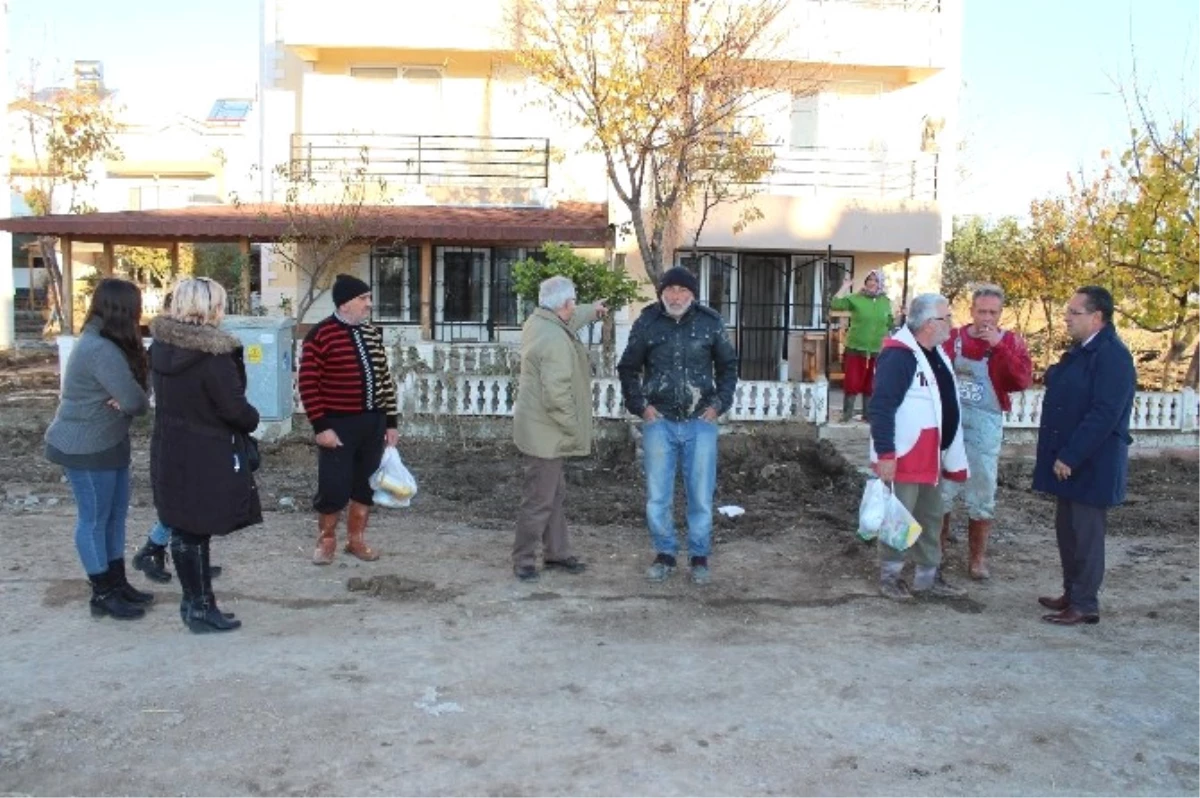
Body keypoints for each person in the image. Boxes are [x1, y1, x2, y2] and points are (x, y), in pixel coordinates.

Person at [150, 277, 262, 633]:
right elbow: (234, 409)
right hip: (206, 453)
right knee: (195, 530)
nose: (222, 311)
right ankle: (199, 608)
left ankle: (197, 604)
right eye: (219, 304)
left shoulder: (162, 347)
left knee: (185, 528)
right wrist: (252, 419)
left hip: (170, 448)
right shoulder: (212, 356)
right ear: (209, 307)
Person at [617, 266, 738, 585]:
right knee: (658, 496)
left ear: (693, 295)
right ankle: (665, 554)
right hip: (660, 423)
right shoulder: (647, 322)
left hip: (701, 422)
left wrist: (718, 405)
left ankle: (699, 557)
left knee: (700, 494)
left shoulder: (710, 323)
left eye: (682, 290)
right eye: (669, 290)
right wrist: (641, 407)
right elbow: (628, 368)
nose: (675, 296)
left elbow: (728, 368)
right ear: (661, 293)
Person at [45, 278, 152, 620]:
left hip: (109, 441)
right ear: (122, 309)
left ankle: (117, 583)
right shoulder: (99, 349)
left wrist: (127, 398)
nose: (140, 313)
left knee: (114, 516)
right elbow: (136, 400)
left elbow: (138, 394)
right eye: (136, 307)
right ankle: (102, 592)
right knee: (94, 519)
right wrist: (128, 399)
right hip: (86, 445)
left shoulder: (112, 342)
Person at [1032, 286, 1135, 626]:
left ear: (1097, 317)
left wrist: (1071, 456)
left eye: (1074, 313)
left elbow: (1105, 413)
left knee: (1087, 536)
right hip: (1072, 461)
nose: (1066, 318)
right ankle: (1071, 593)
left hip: (1092, 463)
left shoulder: (1113, 356)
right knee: (1068, 531)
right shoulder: (1082, 351)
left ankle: (1085, 603)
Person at [868, 293, 969, 601]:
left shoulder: (935, 352)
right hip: (906, 454)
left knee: (931, 515)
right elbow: (882, 407)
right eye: (946, 318)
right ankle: (891, 576)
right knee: (899, 517)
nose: (951, 324)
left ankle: (928, 574)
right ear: (928, 323)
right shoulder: (900, 356)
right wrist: (886, 453)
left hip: (932, 453)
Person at [511, 276, 607, 582]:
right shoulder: (553, 340)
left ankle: (557, 552)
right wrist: (575, 428)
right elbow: (557, 396)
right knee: (540, 498)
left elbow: (570, 318)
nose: (574, 306)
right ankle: (524, 560)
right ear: (564, 304)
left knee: (553, 493)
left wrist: (593, 310)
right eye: (574, 302)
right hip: (547, 433)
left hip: (540, 430)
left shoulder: (540, 322)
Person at [299, 273, 399, 565]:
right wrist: (321, 426)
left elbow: (384, 380)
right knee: (333, 486)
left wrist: (391, 422)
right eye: (363, 299)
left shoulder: (371, 333)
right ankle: (326, 541)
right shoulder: (320, 335)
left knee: (365, 484)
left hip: (373, 424)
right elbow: (307, 384)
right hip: (337, 426)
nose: (369, 304)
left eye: (368, 298)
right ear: (345, 304)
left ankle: (356, 541)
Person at [939, 284, 1033, 579]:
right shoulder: (952, 339)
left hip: (985, 424)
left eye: (993, 312)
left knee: (982, 490)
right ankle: (937, 549)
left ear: (1000, 313)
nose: (987, 318)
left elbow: (1020, 381)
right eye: (982, 312)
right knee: (941, 489)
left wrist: (998, 347)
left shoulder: (1011, 342)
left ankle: (977, 559)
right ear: (971, 311)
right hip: (951, 421)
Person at [831, 269, 894, 422]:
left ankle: (868, 415)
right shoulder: (856, 298)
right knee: (852, 381)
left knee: (871, 383)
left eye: (875, 280)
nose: (871, 283)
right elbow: (835, 303)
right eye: (869, 280)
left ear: (880, 283)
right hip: (856, 347)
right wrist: (845, 286)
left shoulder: (886, 301)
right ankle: (847, 415)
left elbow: (890, 323)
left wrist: (901, 315)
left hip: (876, 349)